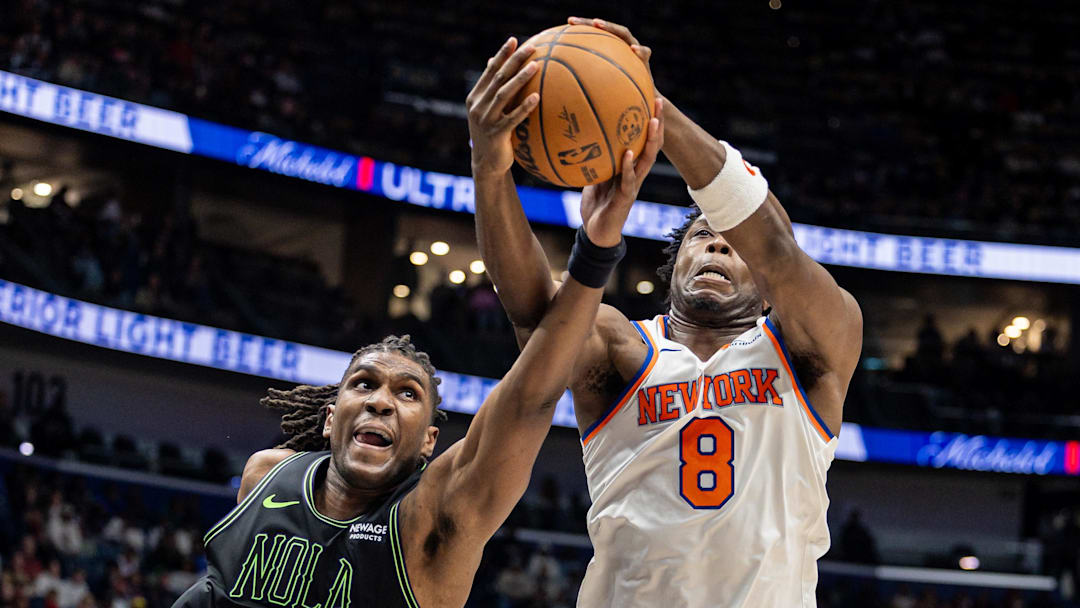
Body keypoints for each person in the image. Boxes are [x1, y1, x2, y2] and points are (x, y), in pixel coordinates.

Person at [172, 49, 662, 606]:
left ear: (429, 442)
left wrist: (592, 247)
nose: (381, 401)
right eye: (363, 383)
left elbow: (531, 397)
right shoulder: (266, 475)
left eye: (407, 394)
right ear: (330, 417)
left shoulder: (433, 517)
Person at [468, 18, 863, 607]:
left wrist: (649, 107)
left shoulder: (814, 350)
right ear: (673, 266)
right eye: (701, 238)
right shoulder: (621, 348)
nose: (717, 247)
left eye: (732, 242)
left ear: (766, 288)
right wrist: (489, 169)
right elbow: (532, 313)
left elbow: (778, 249)